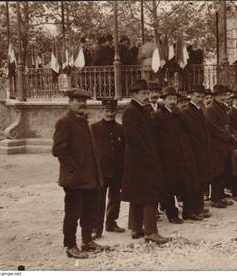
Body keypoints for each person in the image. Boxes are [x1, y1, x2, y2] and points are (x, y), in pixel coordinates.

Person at [52, 88, 108, 259]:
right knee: (73, 214)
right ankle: (70, 246)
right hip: (75, 180)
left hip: (89, 178)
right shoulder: (65, 122)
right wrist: (74, 170)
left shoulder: (82, 121)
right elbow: (59, 150)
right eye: (77, 100)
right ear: (70, 102)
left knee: (89, 212)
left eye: (84, 100)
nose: (82, 103)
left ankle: (86, 242)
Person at [121, 79, 170, 244]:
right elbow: (132, 136)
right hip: (140, 159)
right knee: (149, 193)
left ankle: (135, 227)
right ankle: (151, 231)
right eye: (144, 93)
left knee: (137, 193)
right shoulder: (131, 111)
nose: (148, 96)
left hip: (140, 158)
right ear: (134, 94)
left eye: (148, 93)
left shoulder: (141, 109)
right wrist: (148, 155)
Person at [152, 86, 200, 223]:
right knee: (169, 187)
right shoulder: (158, 115)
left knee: (187, 183)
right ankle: (172, 214)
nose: (172, 101)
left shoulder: (179, 114)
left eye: (174, 98)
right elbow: (156, 137)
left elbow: (189, 128)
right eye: (169, 99)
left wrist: (179, 113)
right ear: (164, 100)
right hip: (168, 157)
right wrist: (161, 155)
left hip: (183, 154)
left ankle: (188, 212)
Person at [91, 99, 126, 240]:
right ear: (101, 111)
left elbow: (124, 149)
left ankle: (111, 222)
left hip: (117, 169)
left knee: (115, 197)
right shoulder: (93, 128)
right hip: (101, 170)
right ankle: (96, 227)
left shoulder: (121, 129)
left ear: (116, 112)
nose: (109, 114)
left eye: (112, 111)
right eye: (106, 111)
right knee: (98, 199)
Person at [181, 85, 212, 218]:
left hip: (201, 151)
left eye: (202, 97)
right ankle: (189, 211)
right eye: (197, 96)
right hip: (192, 152)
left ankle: (199, 207)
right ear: (191, 96)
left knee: (201, 180)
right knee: (192, 182)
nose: (200, 99)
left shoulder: (199, 110)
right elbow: (189, 133)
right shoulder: (187, 112)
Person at [204, 84, 237, 208]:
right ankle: (215, 199)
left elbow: (229, 123)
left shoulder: (223, 108)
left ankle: (221, 196)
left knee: (223, 172)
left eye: (225, 95)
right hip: (216, 146)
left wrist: (233, 134)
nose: (223, 97)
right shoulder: (210, 109)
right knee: (216, 173)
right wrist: (228, 136)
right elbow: (213, 128)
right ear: (215, 96)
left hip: (225, 145)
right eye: (221, 95)